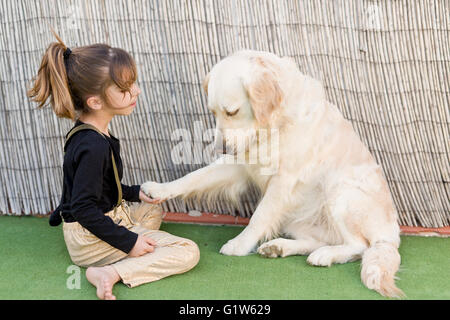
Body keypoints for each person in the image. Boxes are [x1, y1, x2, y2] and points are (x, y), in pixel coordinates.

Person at [27, 29, 200, 300]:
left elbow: (98, 187)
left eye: (134, 83)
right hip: (88, 237)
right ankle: (110, 272)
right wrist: (128, 242)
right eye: (125, 88)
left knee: (151, 211)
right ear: (95, 101)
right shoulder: (92, 146)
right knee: (187, 251)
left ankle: (122, 247)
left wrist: (133, 192)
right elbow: (83, 207)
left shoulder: (93, 133)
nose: (137, 91)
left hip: (105, 218)